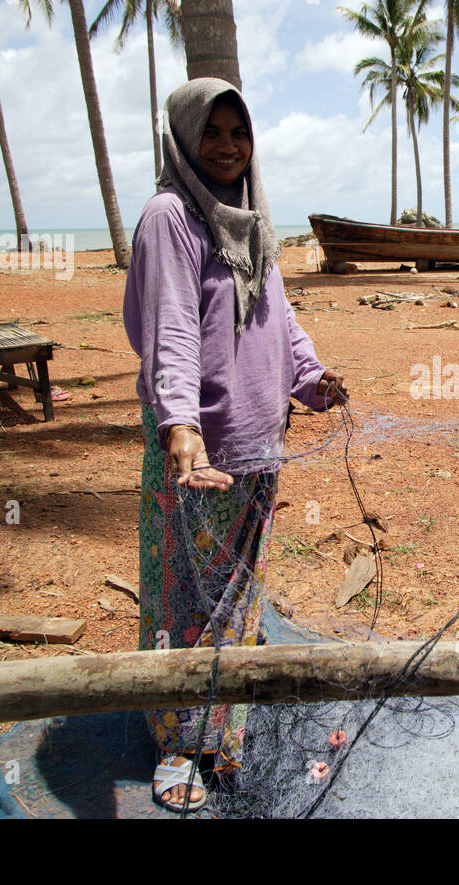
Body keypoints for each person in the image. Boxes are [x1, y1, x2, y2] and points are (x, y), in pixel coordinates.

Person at [123, 78, 346, 813]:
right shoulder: (170, 218)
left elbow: (279, 319)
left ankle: (223, 727)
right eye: (210, 133)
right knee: (186, 602)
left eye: (237, 132)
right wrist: (181, 425)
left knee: (238, 601)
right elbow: (173, 329)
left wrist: (312, 378)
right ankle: (180, 742)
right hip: (200, 455)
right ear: (184, 140)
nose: (226, 146)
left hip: (259, 447)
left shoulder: (251, 223)